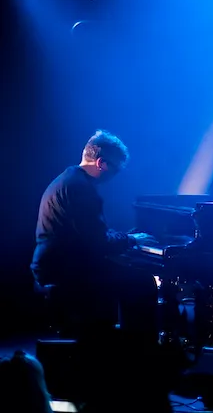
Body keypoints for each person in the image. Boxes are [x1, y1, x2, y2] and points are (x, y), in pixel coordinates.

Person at [30, 129, 158, 340]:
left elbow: (89, 234)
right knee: (142, 281)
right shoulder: (81, 189)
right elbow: (98, 242)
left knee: (129, 274)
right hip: (63, 271)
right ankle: (140, 352)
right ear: (101, 163)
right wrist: (132, 240)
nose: (115, 175)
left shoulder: (67, 179)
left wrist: (122, 239)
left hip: (52, 264)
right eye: (116, 169)